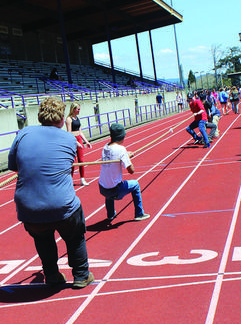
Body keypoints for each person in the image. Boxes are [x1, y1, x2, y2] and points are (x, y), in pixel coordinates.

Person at [8, 95, 93, 288]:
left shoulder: (23, 134)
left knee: (42, 237)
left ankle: (52, 275)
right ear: (62, 118)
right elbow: (66, 167)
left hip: (28, 208)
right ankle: (81, 274)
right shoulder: (69, 138)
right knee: (75, 234)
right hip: (62, 206)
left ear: (40, 116)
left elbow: (14, 167)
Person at [98, 123, 150, 223]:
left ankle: (110, 214)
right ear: (121, 136)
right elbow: (131, 171)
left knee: (108, 183)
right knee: (135, 184)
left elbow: (114, 155)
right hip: (115, 191)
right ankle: (139, 214)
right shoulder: (121, 149)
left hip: (102, 188)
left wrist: (126, 155)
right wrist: (127, 157)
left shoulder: (105, 147)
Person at [65, 101, 92, 186]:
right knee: (72, 161)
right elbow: (69, 133)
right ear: (74, 109)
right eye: (78, 109)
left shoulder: (77, 118)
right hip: (72, 140)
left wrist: (86, 141)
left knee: (81, 160)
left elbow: (80, 132)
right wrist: (76, 142)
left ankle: (82, 179)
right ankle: (70, 180)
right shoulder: (69, 119)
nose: (79, 111)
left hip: (79, 139)